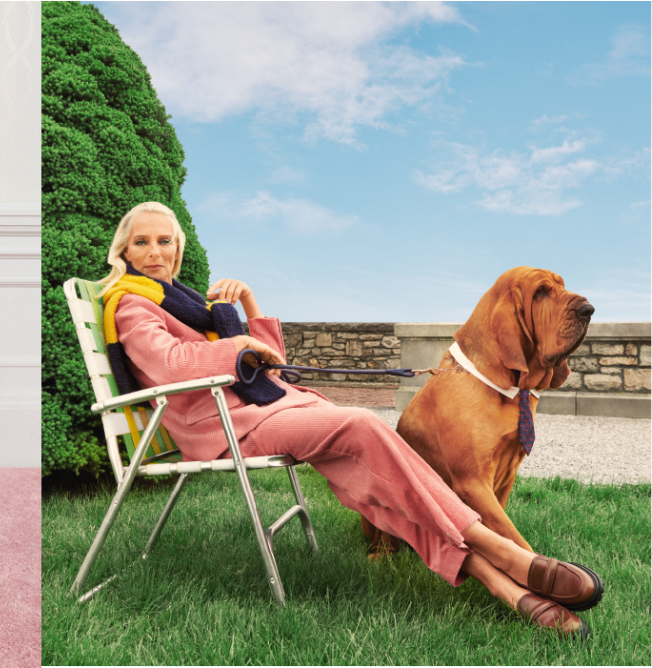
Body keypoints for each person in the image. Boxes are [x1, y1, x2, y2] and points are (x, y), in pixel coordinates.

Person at [96, 201, 602, 637]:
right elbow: (168, 365)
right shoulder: (132, 307)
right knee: (363, 426)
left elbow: (274, 365)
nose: (156, 251)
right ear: (125, 252)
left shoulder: (195, 306)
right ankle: (508, 556)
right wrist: (235, 343)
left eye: (165, 240)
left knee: (373, 474)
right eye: (142, 242)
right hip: (227, 426)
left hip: (271, 407)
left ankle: (504, 588)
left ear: (178, 249)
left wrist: (247, 305)